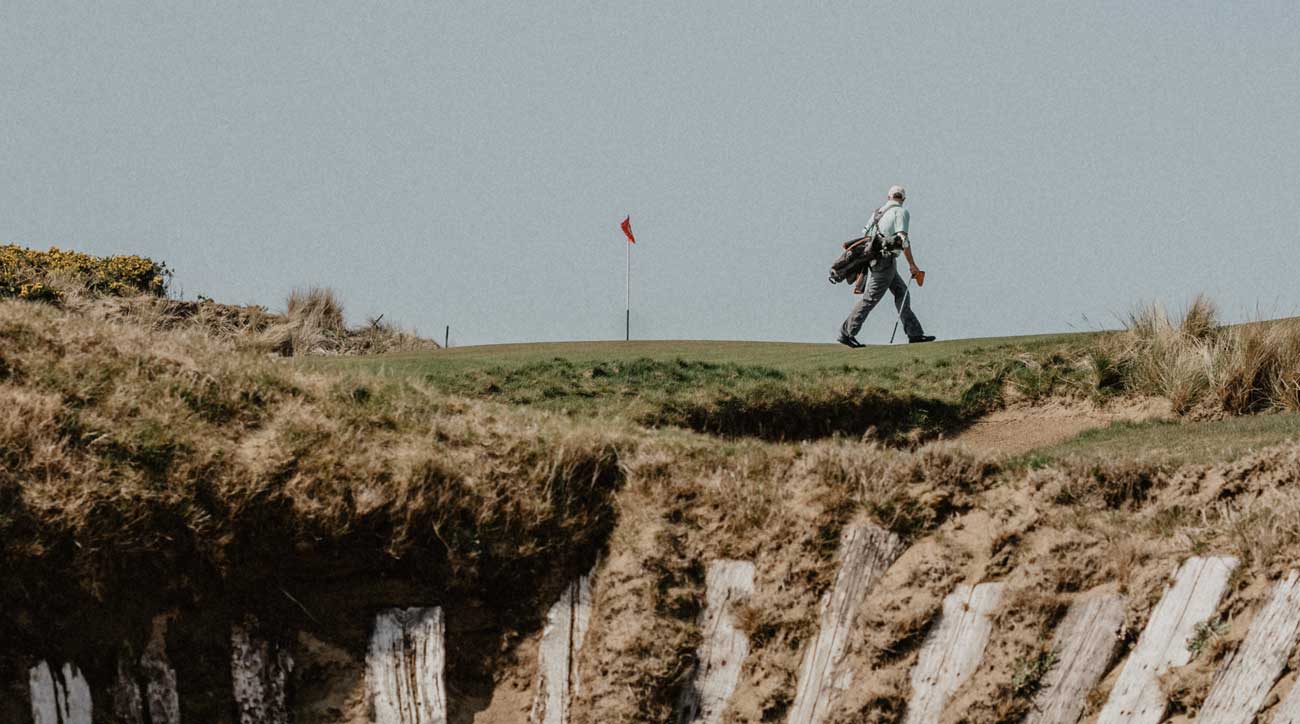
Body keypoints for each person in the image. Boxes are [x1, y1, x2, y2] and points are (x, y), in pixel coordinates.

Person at [837, 185, 936, 347]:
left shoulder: (878, 213)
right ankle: (846, 333)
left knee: (902, 293)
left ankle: (915, 333)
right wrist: (912, 264)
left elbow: (865, 236)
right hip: (886, 261)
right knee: (870, 298)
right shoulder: (901, 212)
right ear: (903, 199)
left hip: (875, 260)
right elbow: (902, 240)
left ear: (889, 197)